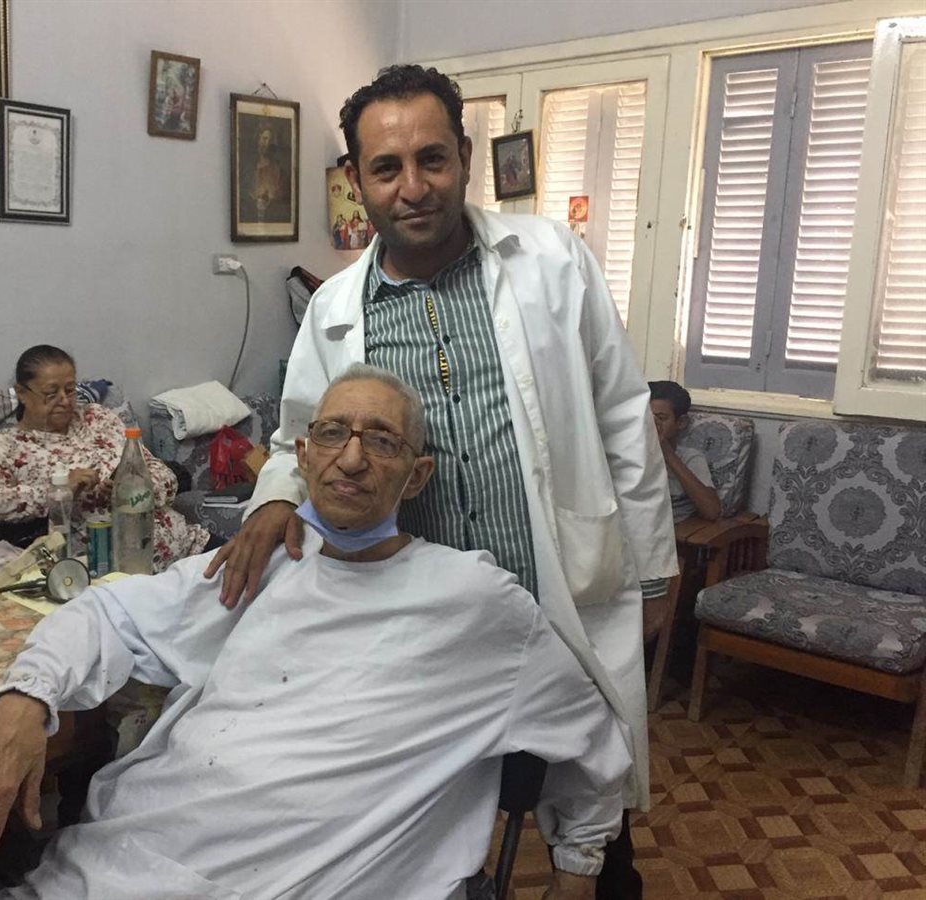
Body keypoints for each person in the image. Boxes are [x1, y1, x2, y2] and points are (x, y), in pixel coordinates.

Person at [205, 65, 677, 900]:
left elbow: (622, 418)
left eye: (433, 159)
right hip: (427, 617)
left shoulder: (551, 262)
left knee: (593, 805)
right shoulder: (337, 310)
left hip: (560, 585)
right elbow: (296, 439)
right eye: (386, 168)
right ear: (357, 180)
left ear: (464, 155)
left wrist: (654, 574)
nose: (414, 187)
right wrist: (275, 495)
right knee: (428, 820)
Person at [0, 367, 630, 900]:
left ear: (417, 475)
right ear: (303, 456)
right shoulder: (262, 566)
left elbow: (591, 734)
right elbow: (104, 613)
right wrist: (25, 701)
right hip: (127, 862)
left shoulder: (478, 604)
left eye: (381, 441)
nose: (351, 459)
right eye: (332, 434)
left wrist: (577, 865)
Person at [0, 344, 209, 571]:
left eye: (70, 390)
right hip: (107, 570)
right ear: (22, 392)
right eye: (51, 393)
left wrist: (132, 486)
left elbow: (157, 469)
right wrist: (58, 491)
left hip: (185, 546)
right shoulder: (6, 445)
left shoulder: (98, 417)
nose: (65, 401)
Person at [648, 381, 720, 524]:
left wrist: (666, 451)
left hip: (673, 530)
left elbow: (712, 511)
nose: (651, 425)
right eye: (647, 418)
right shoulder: (629, 453)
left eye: (661, 418)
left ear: (681, 422)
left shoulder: (689, 458)